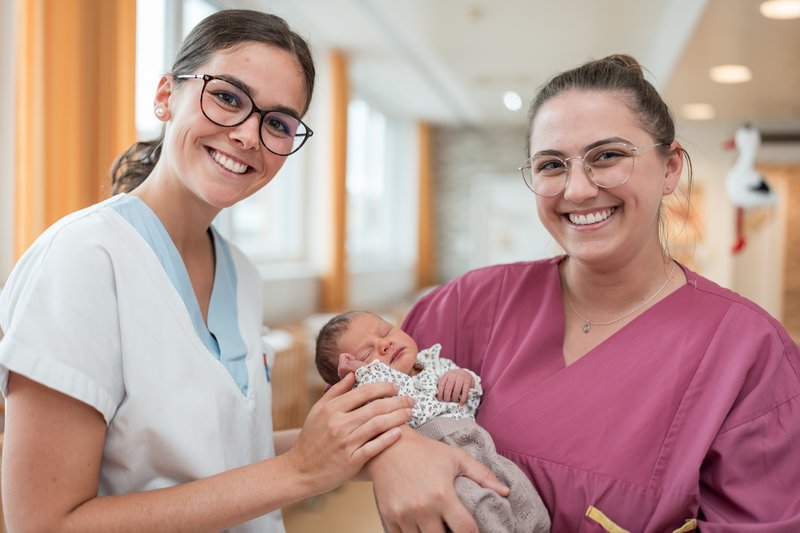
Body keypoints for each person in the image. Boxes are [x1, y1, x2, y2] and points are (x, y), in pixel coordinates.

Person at [0, 10, 509, 533]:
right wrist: (300, 471)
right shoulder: (82, 258)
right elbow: (43, 524)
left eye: (278, 123)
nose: (248, 135)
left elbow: (226, 457)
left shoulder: (240, 272)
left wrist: (376, 447)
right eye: (227, 97)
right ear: (165, 96)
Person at [366, 54, 800, 532]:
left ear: (670, 167)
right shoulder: (470, 303)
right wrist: (395, 449)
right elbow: (357, 402)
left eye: (607, 156)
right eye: (552, 165)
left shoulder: (747, 351)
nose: (576, 190)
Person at [315, 310, 551, 533]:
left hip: (480, 445)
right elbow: (388, 398)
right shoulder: (378, 392)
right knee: (472, 506)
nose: (384, 344)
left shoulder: (435, 363)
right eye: (367, 354)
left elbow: (472, 398)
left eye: (386, 331)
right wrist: (363, 374)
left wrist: (463, 377)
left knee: (517, 490)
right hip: (430, 463)